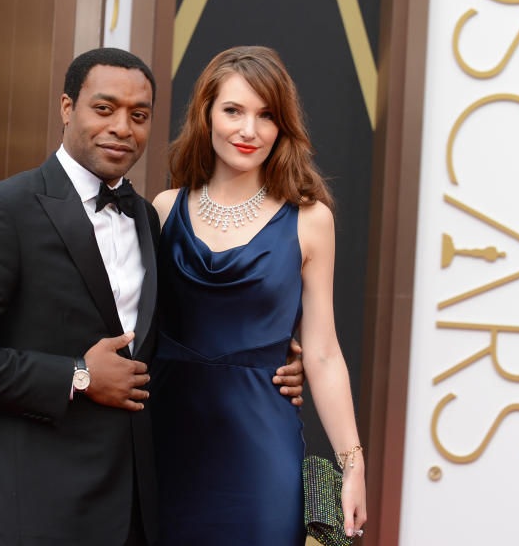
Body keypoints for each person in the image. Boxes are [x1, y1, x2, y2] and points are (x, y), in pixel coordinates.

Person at [0, 48, 304, 546]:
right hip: (38, 510)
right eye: (104, 109)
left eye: (139, 116)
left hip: (140, 506)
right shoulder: (3, 209)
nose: (123, 128)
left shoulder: (150, 218)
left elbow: (175, 331)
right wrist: (77, 376)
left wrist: (271, 356)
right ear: (67, 108)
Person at [150, 46, 368, 544]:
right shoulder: (164, 209)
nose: (249, 131)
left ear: (282, 126)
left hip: (260, 449)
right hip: (165, 440)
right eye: (233, 111)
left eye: (266, 116)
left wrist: (352, 464)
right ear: (206, 115)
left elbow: (323, 351)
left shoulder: (310, 219)